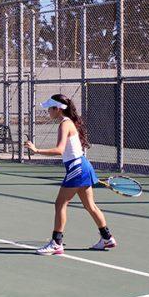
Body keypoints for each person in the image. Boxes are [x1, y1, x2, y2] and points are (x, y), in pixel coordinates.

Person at [24, 94, 116, 254]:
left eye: (50, 109)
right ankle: (107, 238)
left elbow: (60, 150)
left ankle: (56, 243)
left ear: (58, 109)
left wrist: (37, 150)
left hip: (77, 168)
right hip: (83, 166)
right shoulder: (68, 123)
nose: (48, 112)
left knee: (60, 204)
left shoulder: (64, 124)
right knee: (90, 206)